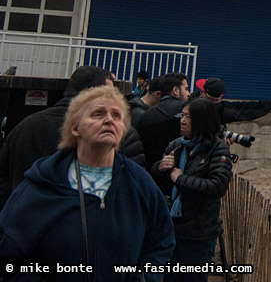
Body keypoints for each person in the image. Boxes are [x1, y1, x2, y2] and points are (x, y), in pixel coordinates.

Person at [0, 85, 174, 280]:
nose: (109, 119)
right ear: (75, 127)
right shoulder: (43, 182)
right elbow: (10, 259)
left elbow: (161, 242)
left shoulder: (139, 183)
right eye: (98, 114)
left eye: (116, 116)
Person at [0, 65, 145, 208]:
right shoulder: (114, 134)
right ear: (91, 92)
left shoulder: (24, 127)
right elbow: (134, 192)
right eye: (109, 92)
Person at [152, 98, 232, 281]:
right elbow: (159, 182)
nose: (182, 120)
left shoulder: (217, 149)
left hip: (199, 231)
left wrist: (181, 179)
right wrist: (160, 168)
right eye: (182, 115)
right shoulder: (176, 145)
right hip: (172, 228)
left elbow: (217, 186)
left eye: (189, 117)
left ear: (202, 120)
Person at [136, 72, 191, 168]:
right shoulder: (186, 112)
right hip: (177, 171)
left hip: (150, 171)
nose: (188, 94)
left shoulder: (145, 117)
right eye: (186, 89)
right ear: (175, 90)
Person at [195, 77, 271, 125]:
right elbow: (244, 109)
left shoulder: (191, 105)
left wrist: (269, 104)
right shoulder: (222, 111)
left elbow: (243, 107)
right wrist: (269, 105)